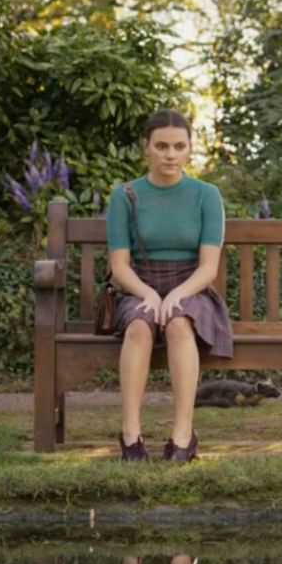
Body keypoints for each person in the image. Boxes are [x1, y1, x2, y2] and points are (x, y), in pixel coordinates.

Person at [107, 109, 232, 463]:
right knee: (138, 328)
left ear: (190, 148)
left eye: (179, 146)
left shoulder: (206, 195)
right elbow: (119, 267)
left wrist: (176, 294)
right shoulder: (125, 195)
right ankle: (131, 435)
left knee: (178, 323)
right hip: (139, 284)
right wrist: (148, 293)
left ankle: (183, 435)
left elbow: (209, 267)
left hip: (191, 286)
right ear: (146, 147)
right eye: (161, 146)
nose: (170, 154)